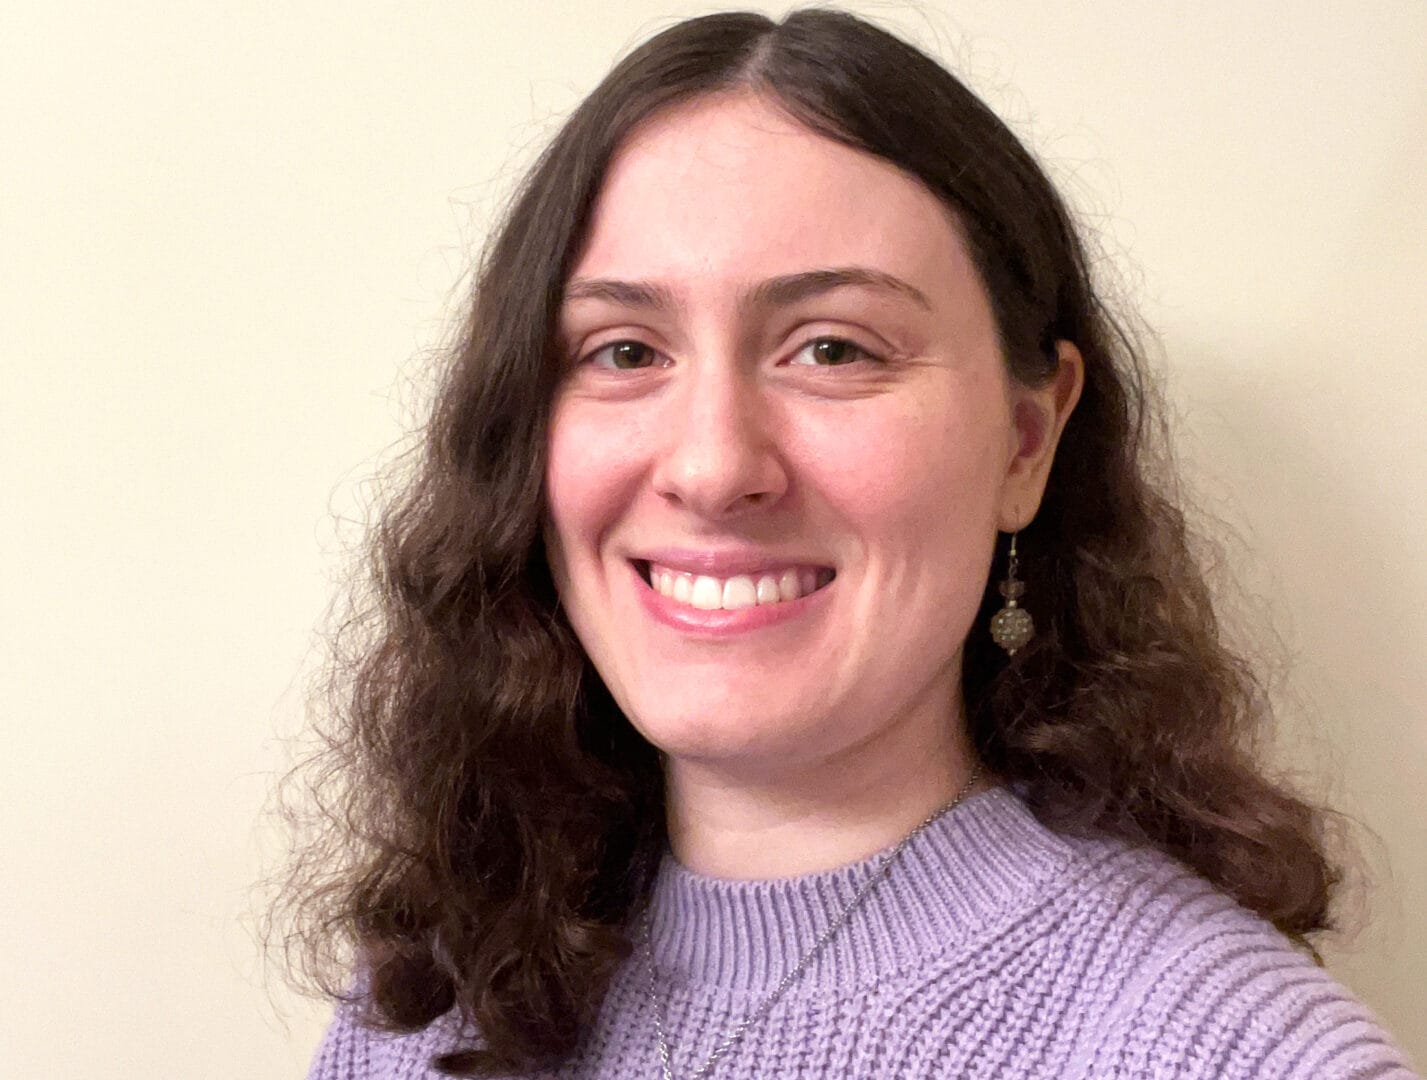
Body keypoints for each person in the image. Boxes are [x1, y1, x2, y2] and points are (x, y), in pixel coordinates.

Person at [286, 8, 1419, 1079]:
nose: (713, 467)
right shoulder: (427, 1004)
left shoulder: (1231, 1052)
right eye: (624, 352)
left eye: (832, 349)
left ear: (1025, 441)